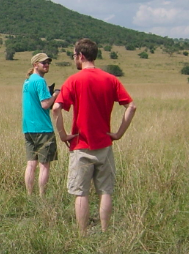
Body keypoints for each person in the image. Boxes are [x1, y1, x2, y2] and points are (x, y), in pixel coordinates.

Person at [52, 38, 137, 235]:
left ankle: (82, 234)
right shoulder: (111, 79)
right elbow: (131, 106)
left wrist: (64, 135)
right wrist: (118, 133)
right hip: (104, 145)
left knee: (81, 193)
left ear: (81, 56)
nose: (74, 59)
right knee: (105, 191)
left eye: (74, 55)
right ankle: (105, 232)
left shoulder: (73, 80)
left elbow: (56, 108)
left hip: (80, 145)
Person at [22, 53, 60, 197]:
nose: (46, 65)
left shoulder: (27, 82)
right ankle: (42, 196)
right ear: (35, 64)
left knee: (31, 164)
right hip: (43, 128)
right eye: (43, 63)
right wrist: (55, 95)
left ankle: (29, 195)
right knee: (44, 165)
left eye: (48, 62)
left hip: (28, 127)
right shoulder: (39, 81)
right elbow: (45, 104)